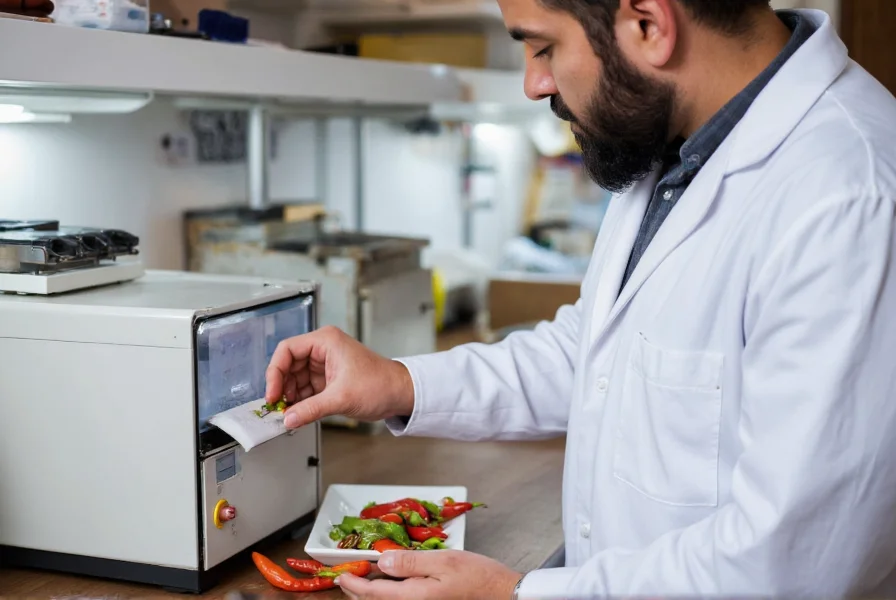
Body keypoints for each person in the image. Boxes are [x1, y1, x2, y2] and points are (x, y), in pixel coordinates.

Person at [265, 0, 896, 598]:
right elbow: (596, 353)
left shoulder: (849, 197)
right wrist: (399, 383)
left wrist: (519, 593)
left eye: (543, 47)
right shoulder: (672, 146)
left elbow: (794, 564)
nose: (534, 84)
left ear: (648, 23)